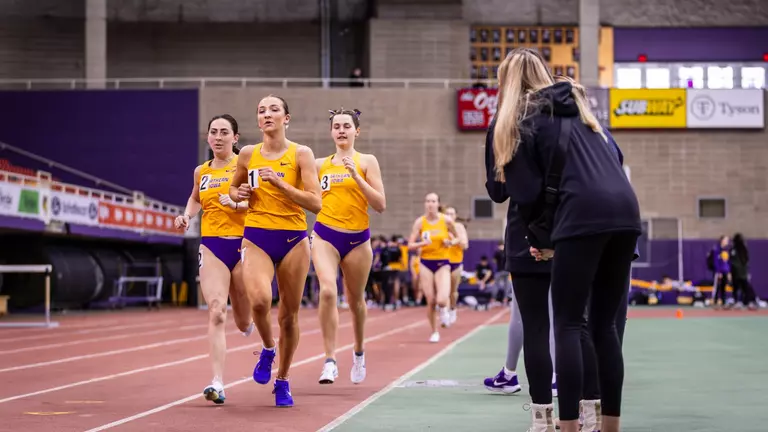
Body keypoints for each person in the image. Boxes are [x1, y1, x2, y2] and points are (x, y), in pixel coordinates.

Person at [491, 48, 641, 432]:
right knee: (603, 327)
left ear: (506, 84)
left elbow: (524, 193)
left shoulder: (520, 122)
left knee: (568, 325)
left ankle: (567, 425)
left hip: (580, 217)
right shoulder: (581, 112)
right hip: (626, 213)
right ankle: (607, 424)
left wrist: (543, 239)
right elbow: (617, 157)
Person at [229, 95, 323, 408]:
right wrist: (239, 192)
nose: (267, 114)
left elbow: (316, 203)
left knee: (288, 316)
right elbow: (233, 188)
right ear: (258, 120)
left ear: (286, 118)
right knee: (258, 300)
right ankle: (268, 348)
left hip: (293, 239)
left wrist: (281, 184)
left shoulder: (301, 154)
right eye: (261, 111)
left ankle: (282, 379)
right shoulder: (247, 154)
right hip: (256, 235)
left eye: (274, 110)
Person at [174, 114, 254, 405]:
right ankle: (218, 382)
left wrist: (236, 204)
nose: (218, 137)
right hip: (212, 245)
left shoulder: (245, 166)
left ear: (235, 137)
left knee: (244, 319)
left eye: (224, 132)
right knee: (217, 310)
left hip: (245, 245)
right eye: (213, 132)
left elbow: (259, 202)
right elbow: (196, 198)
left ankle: (249, 325)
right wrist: (186, 216)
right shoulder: (201, 171)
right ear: (207, 137)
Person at [312, 108, 385, 385]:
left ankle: (359, 352)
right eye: (337, 126)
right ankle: (330, 360)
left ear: (357, 131)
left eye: (346, 126)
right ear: (331, 132)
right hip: (325, 235)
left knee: (356, 301)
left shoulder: (367, 161)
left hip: (357, 240)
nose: (341, 130)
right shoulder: (319, 165)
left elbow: (380, 205)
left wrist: (357, 177)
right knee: (328, 291)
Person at [407, 193, 459, 342]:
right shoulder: (420, 222)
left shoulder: (446, 220)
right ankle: (434, 331)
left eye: (433, 201)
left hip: (442, 262)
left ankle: (444, 310)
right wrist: (422, 244)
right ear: (425, 204)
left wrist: (450, 242)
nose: (430, 204)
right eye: (428, 201)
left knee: (442, 299)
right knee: (431, 300)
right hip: (426, 262)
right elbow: (410, 245)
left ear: (438, 204)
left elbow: (457, 238)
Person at [443, 206, 468, 325]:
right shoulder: (441, 226)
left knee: (453, 291)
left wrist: (454, 240)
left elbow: (465, 245)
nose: (449, 216)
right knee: (444, 289)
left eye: (451, 214)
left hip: (456, 262)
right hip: (443, 262)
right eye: (447, 213)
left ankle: (453, 309)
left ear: (455, 216)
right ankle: (445, 313)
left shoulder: (459, 227)